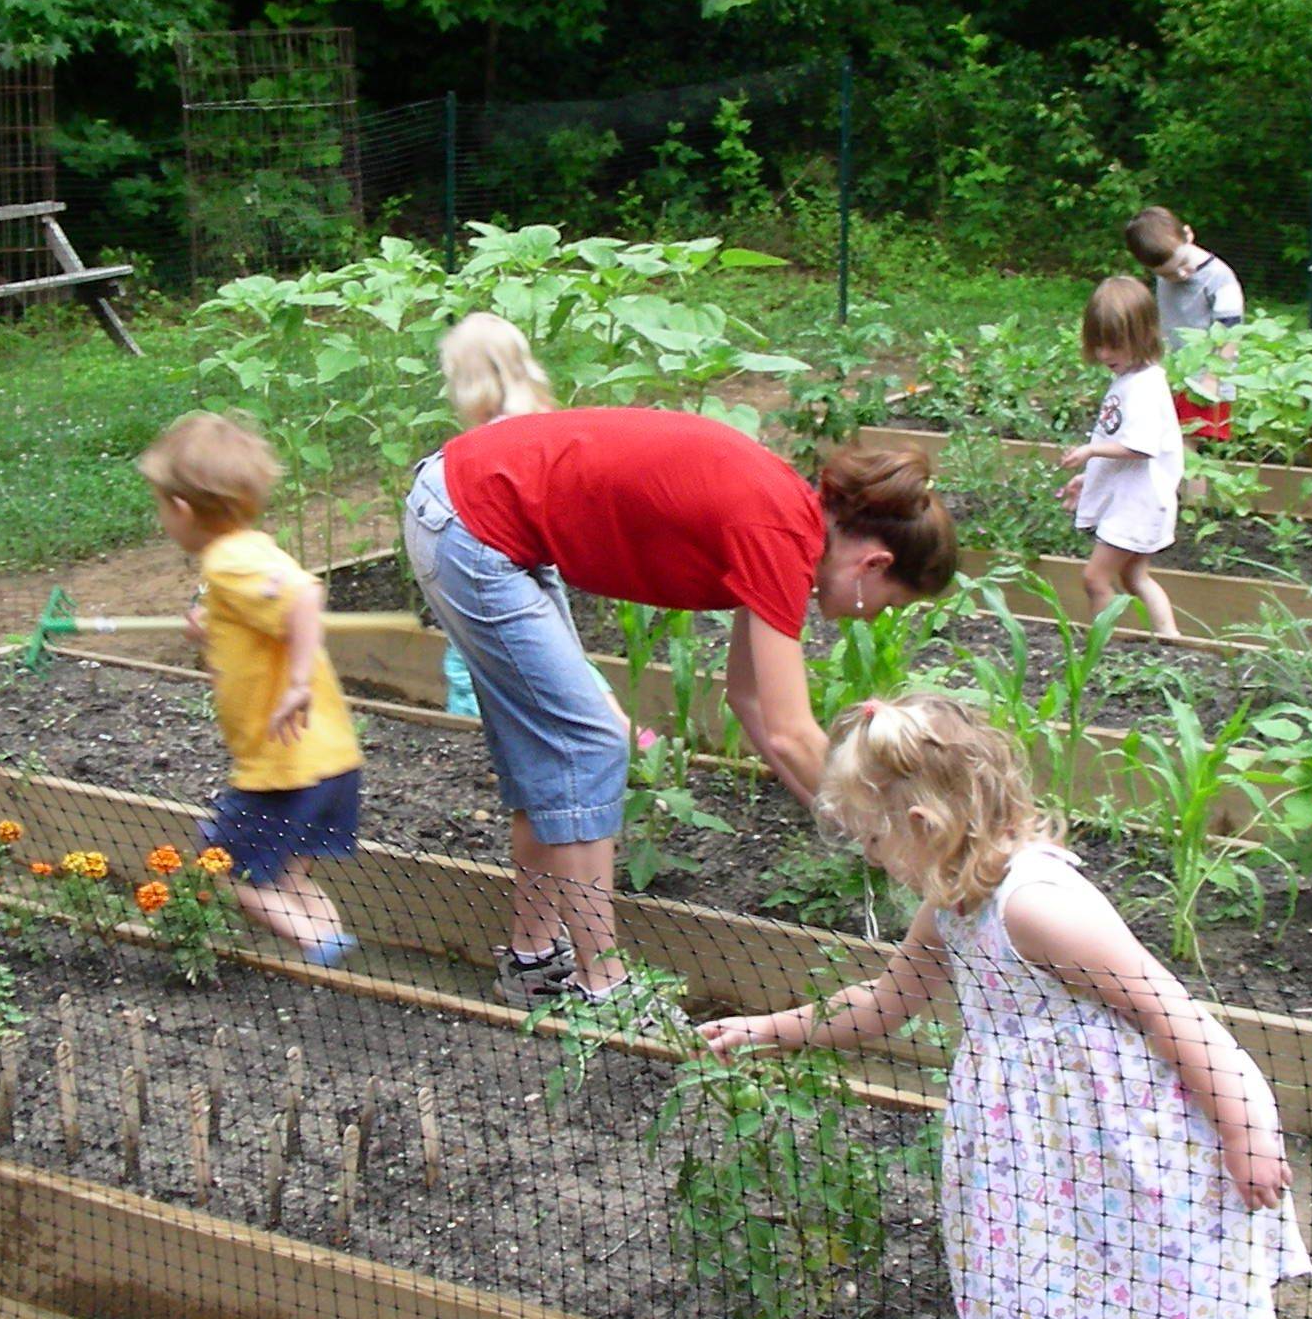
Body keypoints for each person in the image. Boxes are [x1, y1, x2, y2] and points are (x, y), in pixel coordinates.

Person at [702, 695, 1310, 1319]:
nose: (875, 861)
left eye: (874, 841)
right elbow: (885, 1003)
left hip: (1143, 1154)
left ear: (921, 820)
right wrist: (772, 1029)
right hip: (1053, 1167)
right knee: (1089, 1309)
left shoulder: (1036, 905)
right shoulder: (952, 905)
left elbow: (1172, 1015)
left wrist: (1246, 1135)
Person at [403, 410, 957, 1006]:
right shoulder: (780, 534)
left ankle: (533, 963)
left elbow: (751, 702)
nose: (874, 616)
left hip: (480, 513)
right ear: (874, 566)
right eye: (890, 602)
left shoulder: (787, 524)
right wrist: (883, 830)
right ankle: (604, 990)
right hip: (472, 519)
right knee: (589, 744)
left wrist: (848, 826)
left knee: (552, 747)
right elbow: (795, 732)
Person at [143, 412, 364, 966]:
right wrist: (210, 634)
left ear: (182, 510)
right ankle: (339, 964)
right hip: (330, 757)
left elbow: (303, 597)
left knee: (226, 871)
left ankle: (322, 948)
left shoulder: (226, 562)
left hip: (281, 767)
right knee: (290, 877)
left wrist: (295, 685)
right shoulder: (255, 548)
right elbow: (263, 626)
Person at [436, 313, 559, 719]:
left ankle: (472, 730)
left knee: (469, 659)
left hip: (496, 566)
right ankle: (646, 745)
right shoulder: (544, 416)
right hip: (539, 558)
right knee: (563, 658)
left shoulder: (483, 442)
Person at [1059, 277, 1185, 636]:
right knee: (1134, 576)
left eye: (1113, 345)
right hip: (1138, 498)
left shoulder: (1144, 386)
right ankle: (1169, 638)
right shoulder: (1132, 379)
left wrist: (1090, 451)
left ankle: (1100, 647)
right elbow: (1126, 446)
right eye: (1098, 345)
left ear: (1142, 336)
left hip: (1138, 505)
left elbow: (1141, 446)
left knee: (1095, 577)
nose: (1103, 355)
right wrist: (1091, 477)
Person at [1124, 209, 1245, 445]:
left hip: (1204, 379)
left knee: (1188, 451)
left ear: (1188, 235)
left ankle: (1189, 484)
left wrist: (1212, 379)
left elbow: (1231, 333)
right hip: (1173, 373)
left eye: (1181, 263)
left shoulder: (1220, 279)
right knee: (1163, 443)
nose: (1180, 274)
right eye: (1167, 274)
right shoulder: (1165, 267)